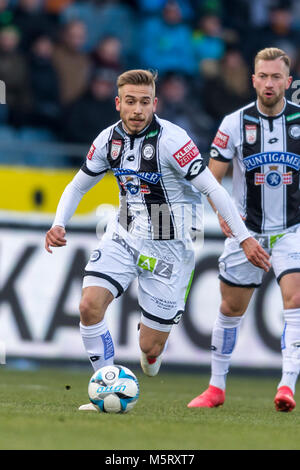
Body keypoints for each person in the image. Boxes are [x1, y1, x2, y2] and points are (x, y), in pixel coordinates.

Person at [45, 69, 270, 411]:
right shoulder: (107, 140)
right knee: (88, 306)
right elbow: (78, 185)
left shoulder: (173, 140)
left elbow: (212, 187)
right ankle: (107, 389)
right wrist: (59, 223)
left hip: (171, 246)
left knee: (149, 347)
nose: (137, 110)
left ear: (155, 104)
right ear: (118, 103)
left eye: (145, 102)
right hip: (124, 233)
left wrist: (243, 238)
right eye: (131, 102)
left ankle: (151, 354)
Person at [187, 47, 300, 412]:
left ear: (288, 81)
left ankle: (287, 386)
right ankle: (216, 388)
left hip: (291, 229)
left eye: (276, 77)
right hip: (245, 231)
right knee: (230, 308)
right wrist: (233, 226)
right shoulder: (233, 123)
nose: (269, 83)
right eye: (263, 76)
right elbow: (211, 181)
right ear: (253, 79)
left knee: (296, 300)